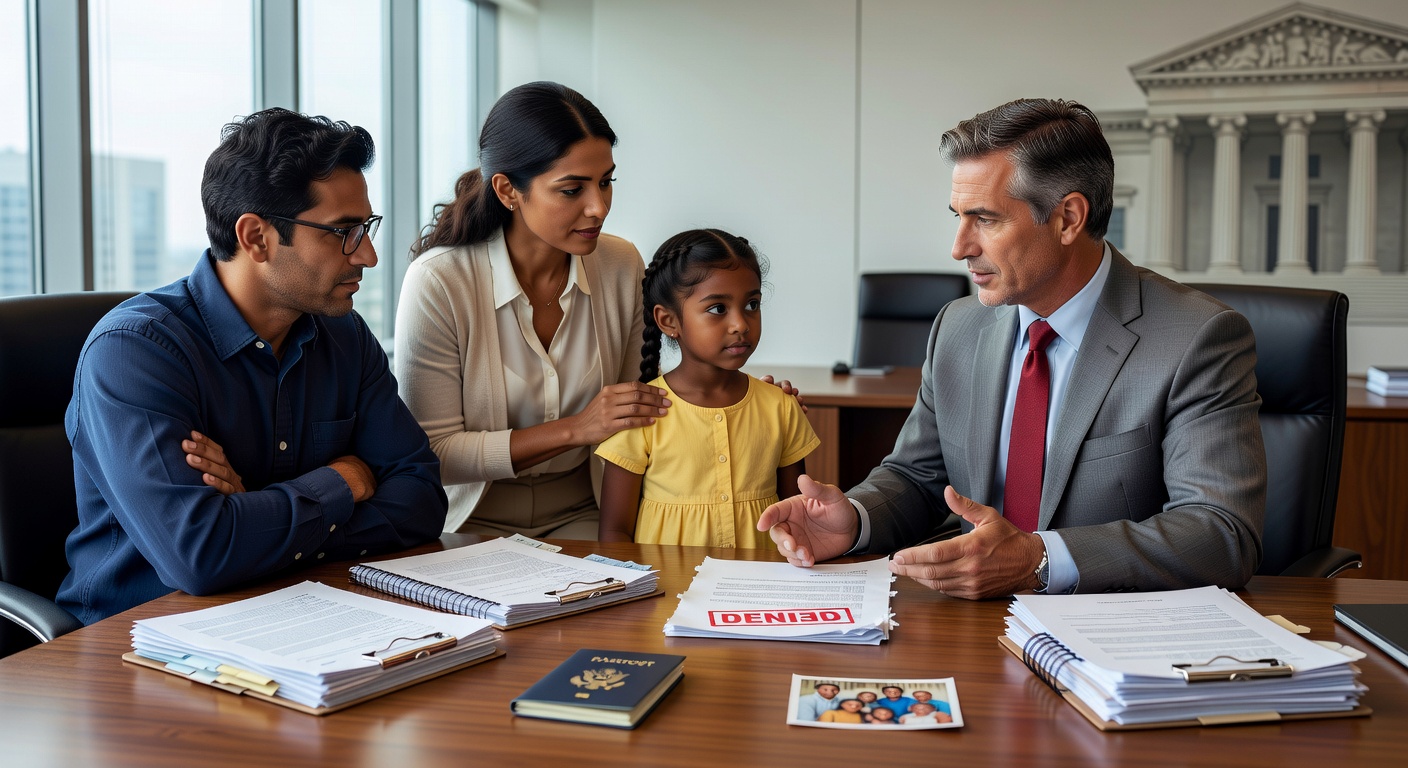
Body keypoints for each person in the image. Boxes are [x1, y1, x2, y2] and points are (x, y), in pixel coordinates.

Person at [758, 97, 1265, 599]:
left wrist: (1038, 559)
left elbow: (1221, 533)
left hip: (1110, 638)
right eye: (957, 216)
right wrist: (856, 517)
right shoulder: (957, 326)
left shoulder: (1196, 336)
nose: (959, 248)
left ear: (1068, 218)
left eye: (986, 219)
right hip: (967, 629)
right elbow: (917, 476)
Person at [58, 108, 448, 624]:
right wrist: (343, 481)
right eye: (343, 232)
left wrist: (258, 517)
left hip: (291, 616)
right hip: (139, 639)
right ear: (256, 237)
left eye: (366, 228)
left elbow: (421, 500)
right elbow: (201, 555)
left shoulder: (344, 336)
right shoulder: (134, 352)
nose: (369, 255)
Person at [395, 81, 670, 539]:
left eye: (606, 182)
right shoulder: (440, 281)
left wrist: (734, 396)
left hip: (592, 512)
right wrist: (575, 429)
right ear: (507, 190)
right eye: (571, 190)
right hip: (466, 520)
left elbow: (635, 411)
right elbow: (433, 452)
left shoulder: (622, 265)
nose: (598, 207)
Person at [595, 229, 819, 547]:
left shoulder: (780, 407)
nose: (741, 324)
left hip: (759, 587)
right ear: (668, 321)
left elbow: (796, 517)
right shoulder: (641, 414)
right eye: (717, 309)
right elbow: (614, 534)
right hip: (669, 591)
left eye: (752, 304)